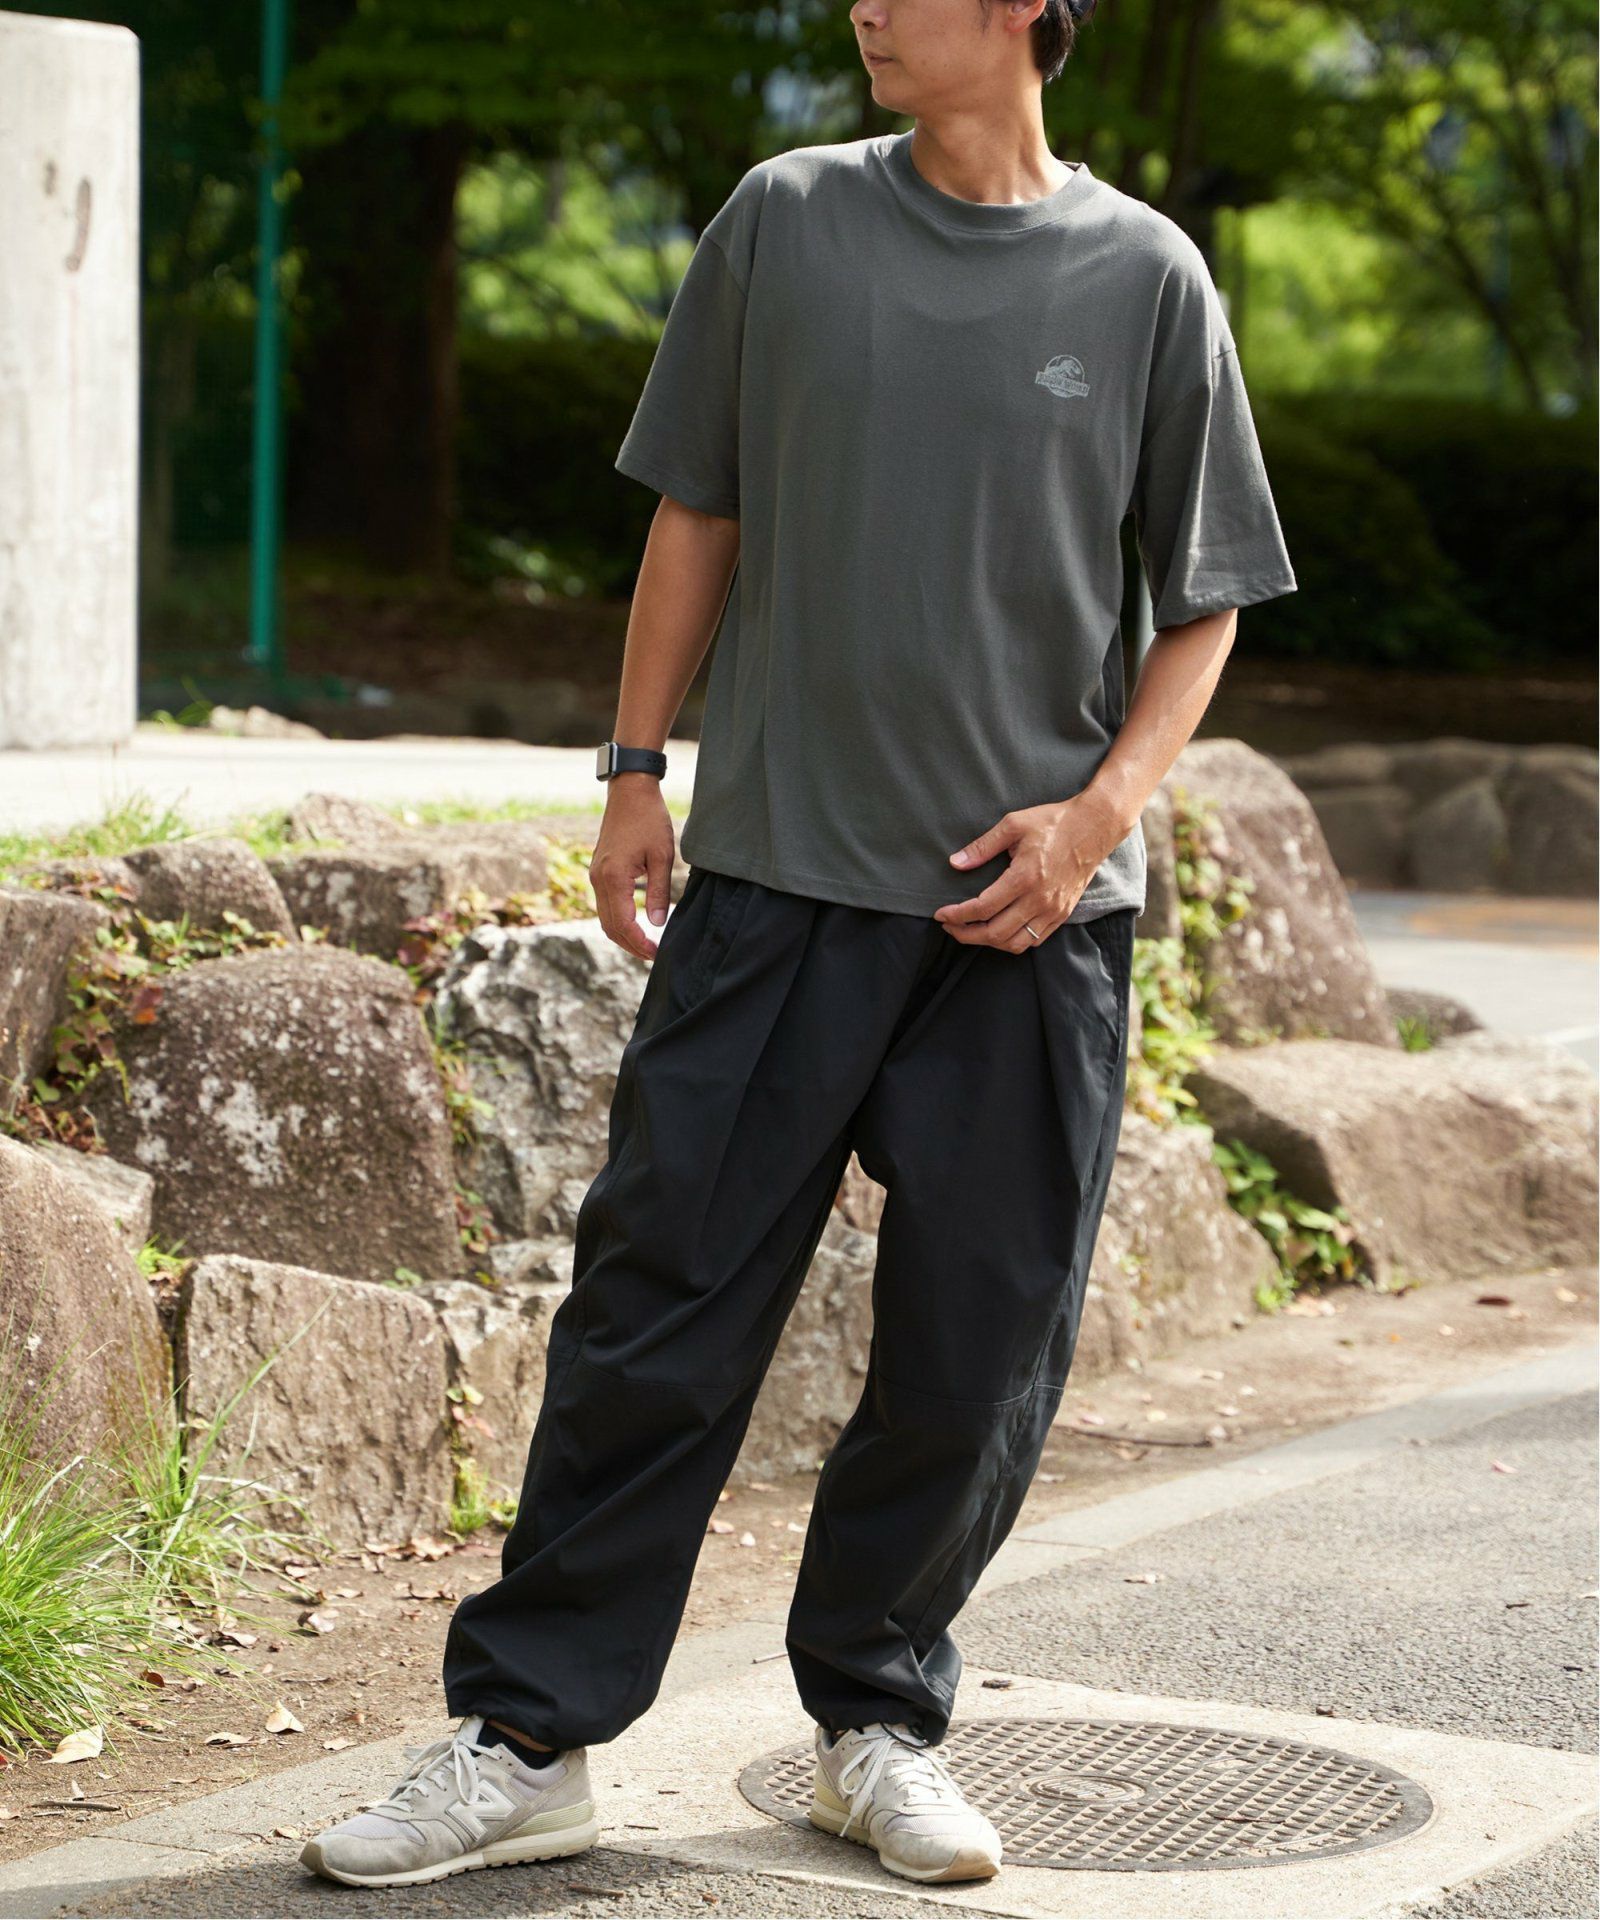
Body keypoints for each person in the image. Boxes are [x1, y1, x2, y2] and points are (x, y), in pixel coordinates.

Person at [300, 0, 1296, 1892]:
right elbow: (702, 510)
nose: (865, 9)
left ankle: (875, 1725)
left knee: (974, 1352)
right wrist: (632, 768)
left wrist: (1099, 818)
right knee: (654, 1323)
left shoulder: (1149, 276)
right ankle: (529, 1739)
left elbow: (1206, 601)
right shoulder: (785, 218)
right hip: (770, 888)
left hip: (1028, 920)